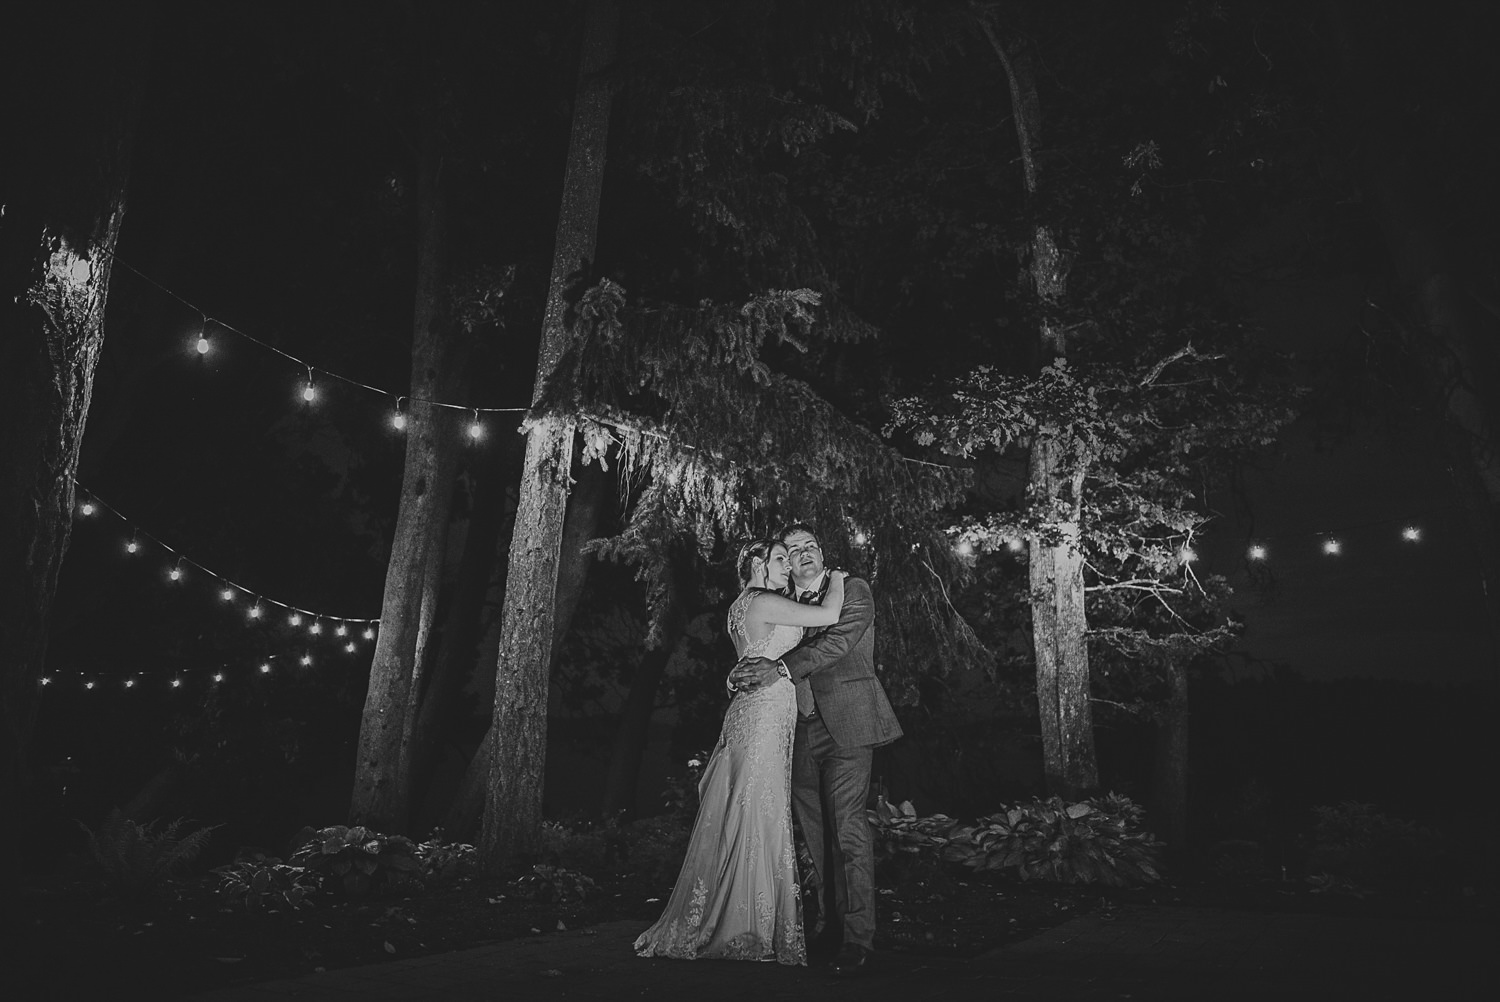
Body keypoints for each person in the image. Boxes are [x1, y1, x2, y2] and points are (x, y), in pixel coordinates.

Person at [634, 538, 847, 965]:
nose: (788, 566)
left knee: (745, 809)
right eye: (780, 559)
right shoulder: (765, 600)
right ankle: (745, 926)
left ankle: (742, 915)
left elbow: (746, 662)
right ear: (757, 563)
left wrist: (731, 680)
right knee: (758, 812)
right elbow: (830, 614)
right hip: (765, 715)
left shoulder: (739, 606)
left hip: (751, 713)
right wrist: (840, 577)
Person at [729, 522, 902, 977]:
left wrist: (779, 667)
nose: (802, 553)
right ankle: (827, 925)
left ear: (822, 554)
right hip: (798, 729)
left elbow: (839, 643)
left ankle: (858, 937)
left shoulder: (852, 588)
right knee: (814, 832)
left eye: (810, 546)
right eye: (792, 549)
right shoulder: (787, 603)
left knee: (847, 829)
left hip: (848, 726)